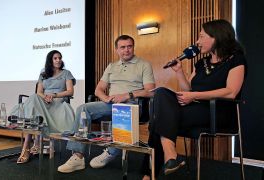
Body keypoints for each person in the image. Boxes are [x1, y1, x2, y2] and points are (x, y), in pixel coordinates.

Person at [142, 19, 247, 179]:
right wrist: (178, 71)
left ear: (217, 37)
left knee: (157, 121)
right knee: (161, 92)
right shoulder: (201, 62)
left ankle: (150, 174)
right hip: (194, 109)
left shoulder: (236, 59)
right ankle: (169, 157)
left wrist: (195, 96)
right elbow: (188, 90)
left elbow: (231, 92)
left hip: (217, 112)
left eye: (201, 36)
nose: (197, 42)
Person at [57, 35, 156, 173]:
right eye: (122, 47)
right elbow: (98, 90)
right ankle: (77, 156)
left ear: (133, 47)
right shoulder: (112, 66)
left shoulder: (144, 65)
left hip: (133, 105)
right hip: (111, 104)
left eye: (129, 46)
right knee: (83, 108)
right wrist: (105, 98)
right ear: (117, 50)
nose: (126, 50)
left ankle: (110, 152)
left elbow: (151, 91)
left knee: (121, 111)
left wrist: (128, 95)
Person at [11, 50, 76, 164]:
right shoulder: (43, 73)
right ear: (50, 60)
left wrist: (54, 95)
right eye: (55, 58)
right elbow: (39, 91)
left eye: (60, 58)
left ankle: (26, 145)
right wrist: (45, 97)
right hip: (44, 100)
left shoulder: (66, 73)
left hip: (58, 102)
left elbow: (70, 91)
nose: (58, 60)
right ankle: (31, 140)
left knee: (33, 105)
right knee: (35, 97)